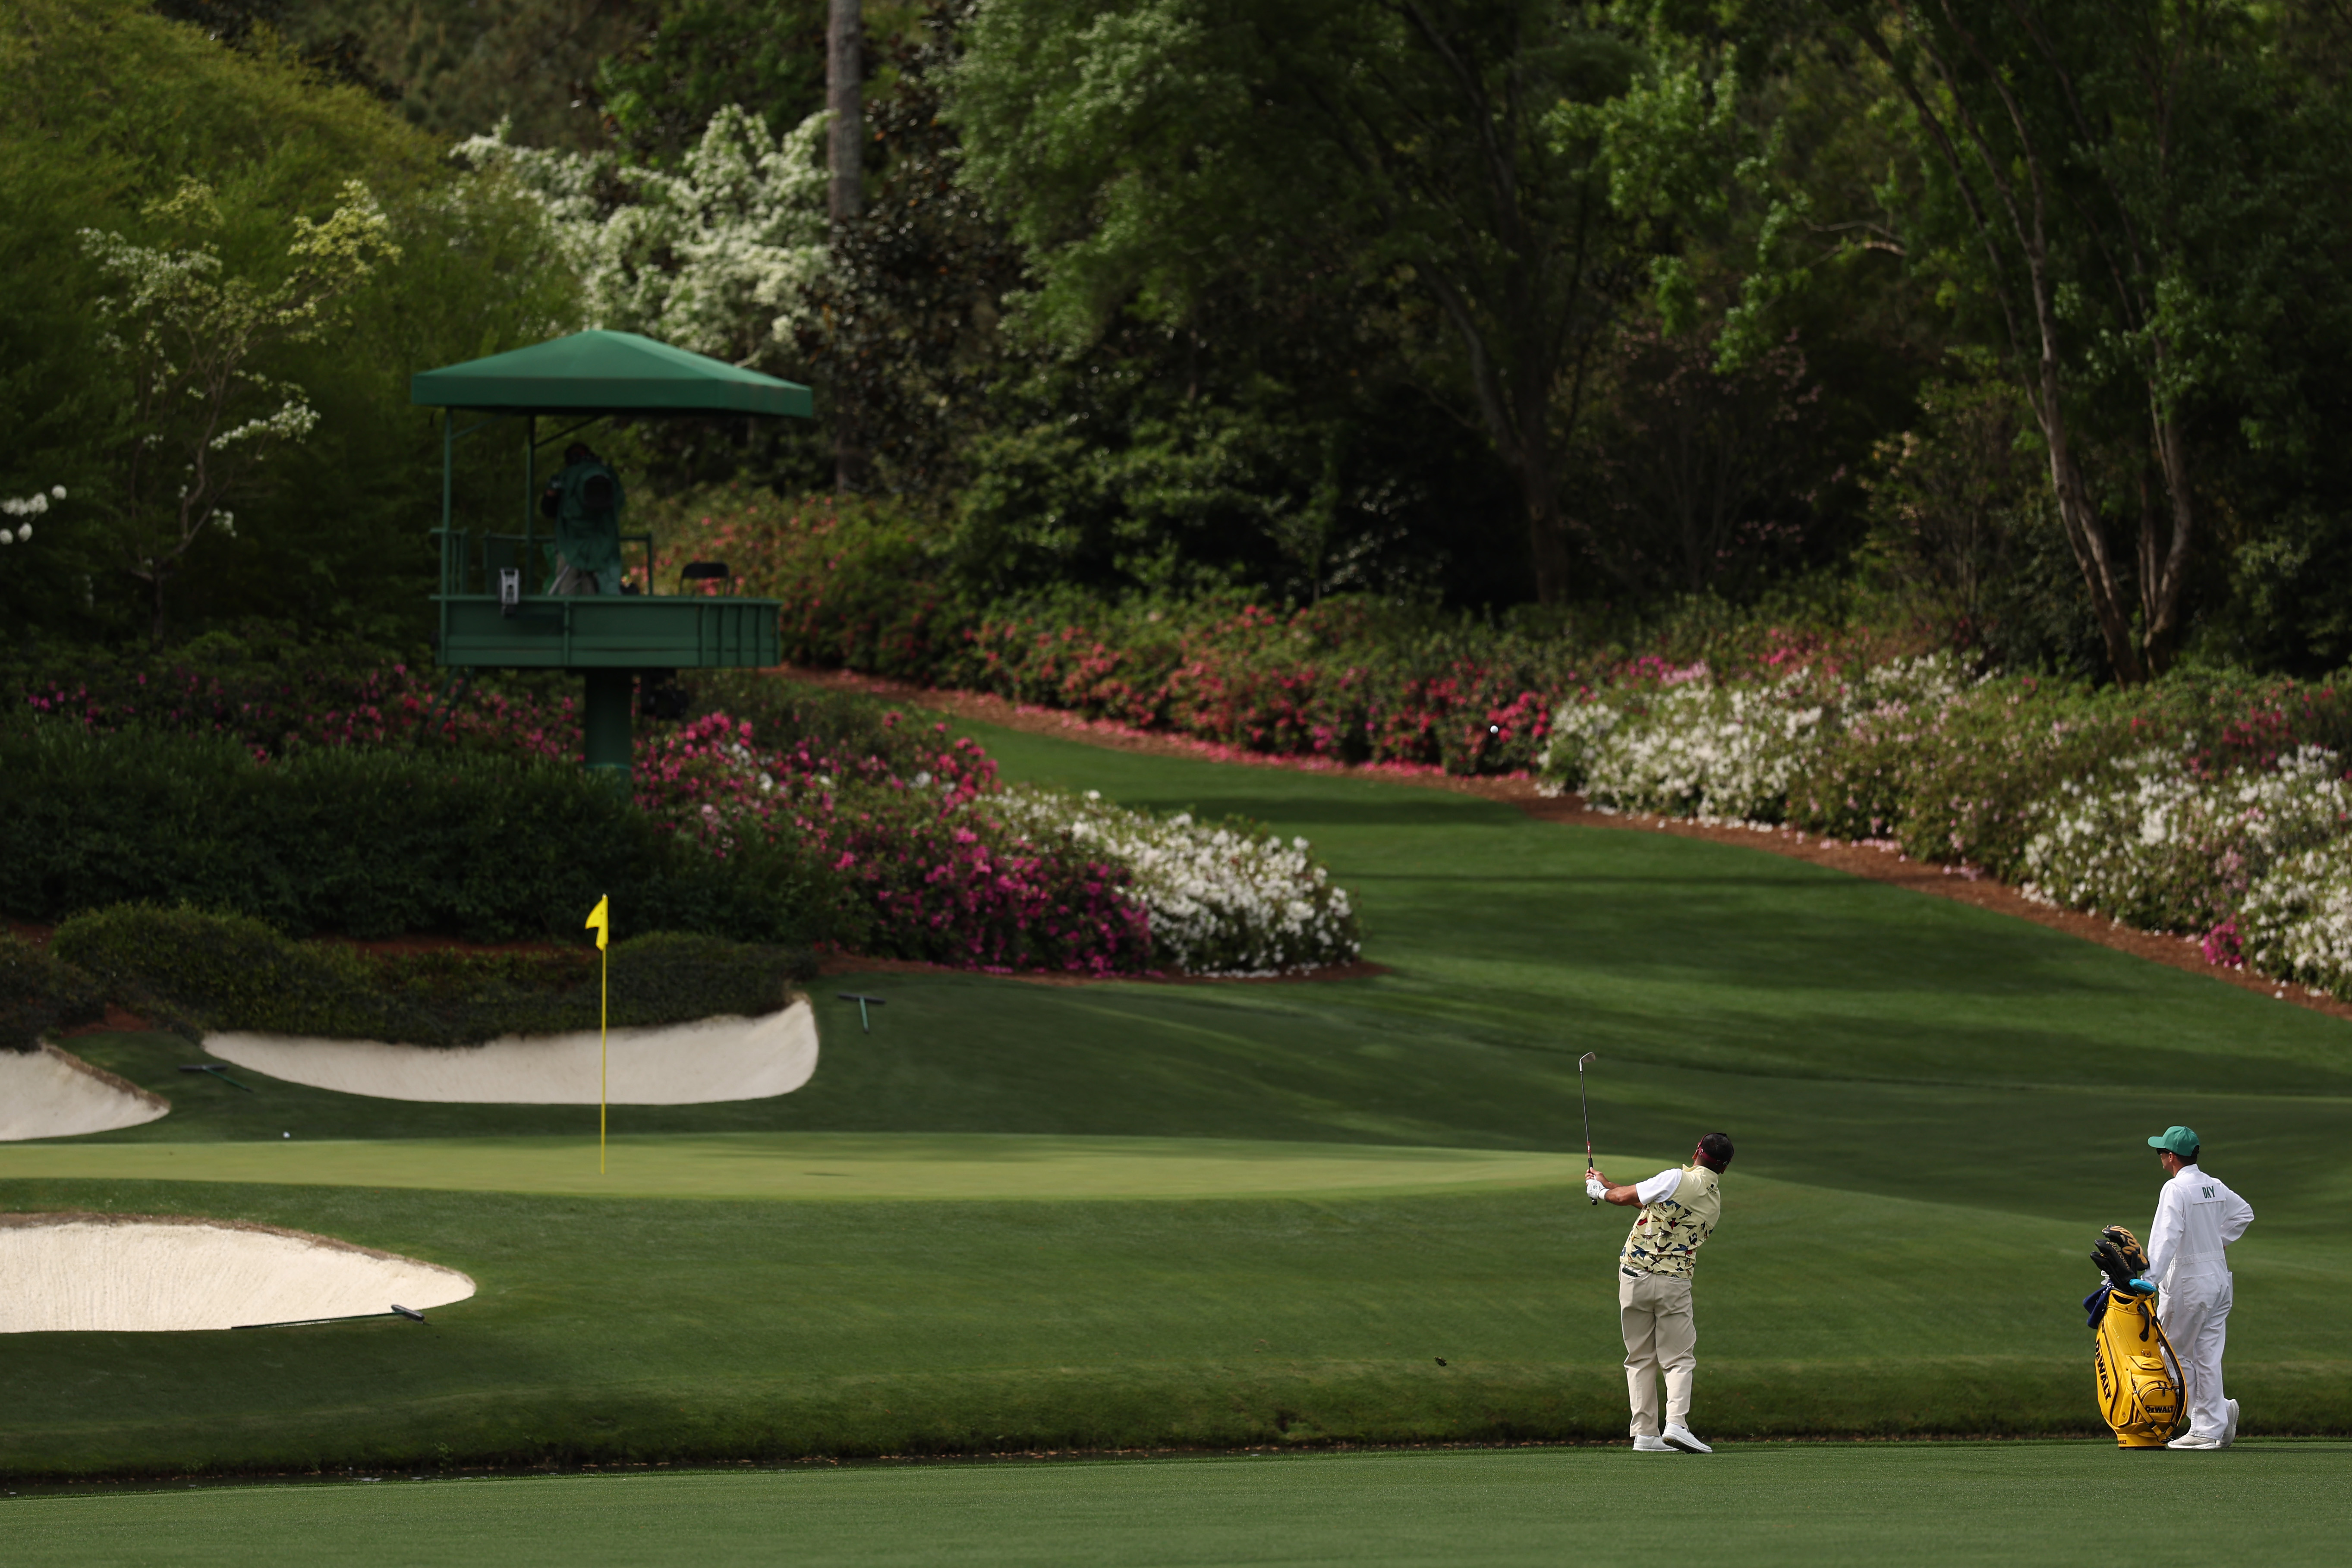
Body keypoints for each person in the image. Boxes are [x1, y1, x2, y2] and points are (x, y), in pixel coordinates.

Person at [1587, 1132, 1733, 1454]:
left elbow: (1627, 1199)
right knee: (1678, 1358)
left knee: (1639, 1357)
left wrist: (1599, 1191)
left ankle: (1645, 1434)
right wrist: (1608, 1185)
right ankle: (1675, 1424)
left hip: (1634, 1278)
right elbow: (1654, 1207)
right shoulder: (1712, 1203)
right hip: (1674, 1284)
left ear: (1697, 1151)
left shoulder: (1675, 1177)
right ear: (1723, 1168)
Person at [2145, 1125, 2254, 1450]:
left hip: (2189, 1284)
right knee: (2206, 1355)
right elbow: (2243, 1214)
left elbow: (2165, 1237)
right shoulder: (2214, 1185)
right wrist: (2215, 1243)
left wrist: (2149, 1279)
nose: (2160, 1158)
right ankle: (2216, 1418)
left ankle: (2206, 1426)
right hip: (2219, 1281)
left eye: (2161, 1153)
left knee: (2173, 1354)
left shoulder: (2175, 1190)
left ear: (2170, 1157)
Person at [539, 441, 626, 595]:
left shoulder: (600, 478)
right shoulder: (565, 480)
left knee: (590, 589)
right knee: (567, 586)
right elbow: (548, 510)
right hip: (572, 545)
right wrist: (553, 494)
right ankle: (568, 616)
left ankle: (590, 617)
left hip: (595, 545)